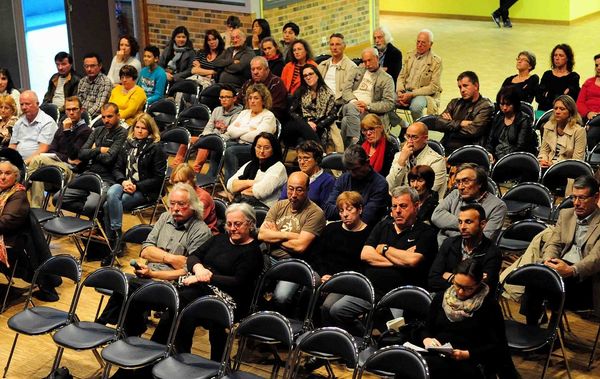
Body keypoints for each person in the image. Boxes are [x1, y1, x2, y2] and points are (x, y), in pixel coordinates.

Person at [150, 202, 263, 361]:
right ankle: (175, 358)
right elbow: (193, 256)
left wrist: (207, 277)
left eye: (237, 224)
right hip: (202, 290)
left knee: (179, 303)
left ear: (250, 224)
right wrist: (199, 269)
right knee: (181, 310)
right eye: (229, 224)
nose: (232, 228)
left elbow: (239, 282)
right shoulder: (219, 239)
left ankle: (160, 355)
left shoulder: (253, 252)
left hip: (231, 301)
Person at [96, 183, 212, 332]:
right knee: (124, 283)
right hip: (147, 276)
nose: (175, 209)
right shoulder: (164, 217)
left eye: (181, 204)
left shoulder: (201, 231)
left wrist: (155, 273)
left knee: (128, 286)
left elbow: (189, 271)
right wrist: (171, 259)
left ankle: (105, 325)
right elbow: (145, 251)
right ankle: (129, 330)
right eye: (172, 204)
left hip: (174, 286)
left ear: (193, 206)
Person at [322, 186, 437, 336]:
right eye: (394, 206)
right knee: (338, 310)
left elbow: (413, 260)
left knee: (394, 333)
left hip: (400, 294)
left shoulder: (426, 232)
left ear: (416, 206)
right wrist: (400, 260)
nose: (397, 211)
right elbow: (365, 254)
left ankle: (379, 344)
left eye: (403, 206)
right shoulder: (383, 225)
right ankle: (366, 341)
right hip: (372, 289)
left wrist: (384, 248)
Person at [422, 259, 513, 378]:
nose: (460, 292)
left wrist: (467, 354)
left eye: (468, 288)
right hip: (438, 352)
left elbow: (497, 345)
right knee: (412, 365)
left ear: (479, 284)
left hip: (470, 359)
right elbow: (427, 328)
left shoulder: (489, 306)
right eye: (457, 285)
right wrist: (427, 339)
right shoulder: (441, 298)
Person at [259, 171, 326, 305]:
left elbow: (300, 247)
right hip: (267, 257)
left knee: (281, 297)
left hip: (294, 263)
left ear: (307, 189)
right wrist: (288, 235)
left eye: (299, 190)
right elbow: (261, 234)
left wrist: (275, 235)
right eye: (290, 189)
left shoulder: (315, 213)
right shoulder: (279, 205)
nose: (293, 194)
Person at [103, 113, 166, 251]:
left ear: (150, 130)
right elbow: (116, 168)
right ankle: (116, 236)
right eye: (137, 127)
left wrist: (136, 186)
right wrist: (124, 181)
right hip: (126, 184)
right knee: (112, 193)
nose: (139, 130)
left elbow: (159, 178)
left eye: (143, 128)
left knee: (108, 205)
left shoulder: (156, 148)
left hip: (145, 190)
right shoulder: (127, 144)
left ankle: (114, 240)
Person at [59, 103, 127, 214]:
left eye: (110, 116)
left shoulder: (122, 133)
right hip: (89, 173)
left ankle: (94, 217)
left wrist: (91, 153)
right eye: (103, 117)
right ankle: (96, 216)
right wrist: (99, 150)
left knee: (91, 206)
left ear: (118, 116)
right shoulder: (98, 130)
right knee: (58, 198)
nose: (106, 120)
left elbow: (108, 159)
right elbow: (81, 154)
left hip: (107, 179)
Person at [27, 96, 92, 208]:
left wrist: (67, 131)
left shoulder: (86, 131)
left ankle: (23, 184)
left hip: (72, 173)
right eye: (68, 109)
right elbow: (52, 149)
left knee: (37, 159)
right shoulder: (61, 127)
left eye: (74, 109)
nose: (71, 113)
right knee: (38, 173)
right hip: (58, 165)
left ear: (81, 110)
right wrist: (66, 158)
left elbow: (74, 155)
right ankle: (35, 211)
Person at [429, 204, 502, 293]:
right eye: (460, 222)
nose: (462, 227)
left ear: (482, 224)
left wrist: (450, 277)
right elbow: (433, 279)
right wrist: (467, 284)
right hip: (444, 296)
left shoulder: (493, 252)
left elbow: (485, 289)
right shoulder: (449, 243)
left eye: (468, 222)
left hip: (476, 304)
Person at [173, 84, 243, 174]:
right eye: (221, 97)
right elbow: (208, 127)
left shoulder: (238, 115)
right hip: (209, 137)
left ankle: (195, 172)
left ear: (234, 99)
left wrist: (211, 139)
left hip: (222, 142)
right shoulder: (217, 110)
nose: (224, 100)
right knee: (187, 140)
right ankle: (175, 168)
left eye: (227, 97)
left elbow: (230, 134)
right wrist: (206, 136)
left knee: (205, 145)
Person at [432, 163, 507, 246]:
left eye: (466, 181)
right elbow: (436, 216)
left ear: (480, 183)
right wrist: (469, 226)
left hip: (472, 255)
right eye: (458, 182)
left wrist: (446, 229)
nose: (460, 187)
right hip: (442, 249)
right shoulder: (455, 194)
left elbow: (483, 239)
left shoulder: (497, 206)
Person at [340, 47, 396, 147]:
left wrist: (367, 106)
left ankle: (351, 148)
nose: (367, 64)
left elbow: (389, 104)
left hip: (370, 113)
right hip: (352, 106)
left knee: (345, 122)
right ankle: (356, 141)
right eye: (364, 61)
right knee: (350, 107)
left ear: (377, 58)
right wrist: (354, 103)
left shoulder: (387, 79)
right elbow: (346, 90)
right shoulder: (356, 71)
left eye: (369, 60)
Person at [311, 191, 371, 282]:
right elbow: (317, 255)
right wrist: (323, 274)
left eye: (349, 209)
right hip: (324, 276)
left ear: (360, 209)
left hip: (348, 282)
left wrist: (336, 279)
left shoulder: (369, 234)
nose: (345, 214)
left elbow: (363, 267)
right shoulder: (331, 229)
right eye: (341, 211)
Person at [430, 71, 494, 154]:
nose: (462, 90)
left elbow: (473, 131)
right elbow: (438, 123)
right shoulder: (454, 103)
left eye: (465, 86)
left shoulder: (486, 106)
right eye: (460, 87)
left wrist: (449, 125)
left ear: (476, 86)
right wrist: (461, 123)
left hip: (469, 151)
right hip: (445, 147)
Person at [323, 145, 389, 225]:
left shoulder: (380, 184)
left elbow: (367, 218)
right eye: (348, 169)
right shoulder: (344, 178)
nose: (352, 174)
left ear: (367, 163)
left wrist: (342, 210)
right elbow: (328, 211)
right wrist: (352, 211)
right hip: (341, 228)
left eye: (356, 169)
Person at [223, 83, 277, 181]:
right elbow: (230, 130)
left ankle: (230, 185)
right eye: (250, 98)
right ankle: (212, 177)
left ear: (263, 100)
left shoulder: (268, 116)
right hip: (238, 143)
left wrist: (239, 131)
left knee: (230, 151)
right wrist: (249, 129)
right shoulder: (244, 113)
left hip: (255, 148)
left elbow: (258, 138)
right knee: (220, 145)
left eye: (256, 98)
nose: (252, 101)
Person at [386, 121, 447, 198]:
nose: (410, 141)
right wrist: (401, 163)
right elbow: (389, 186)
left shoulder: (436, 161)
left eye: (414, 137)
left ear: (425, 138)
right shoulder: (400, 156)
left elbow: (429, 191)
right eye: (408, 136)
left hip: (427, 205)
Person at [226, 132, 286, 208]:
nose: (261, 151)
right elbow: (230, 185)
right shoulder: (251, 164)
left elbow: (260, 192)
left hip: (264, 209)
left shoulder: (278, 167)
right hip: (244, 204)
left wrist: (239, 188)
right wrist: (253, 182)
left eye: (266, 148)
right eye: (258, 147)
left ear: (274, 149)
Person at [286, 64, 337, 149]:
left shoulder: (328, 93)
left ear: (317, 75)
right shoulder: (300, 92)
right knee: (301, 134)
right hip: (301, 125)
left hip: (320, 125)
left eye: (310, 74)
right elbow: (292, 112)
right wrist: (306, 123)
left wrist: (317, 125)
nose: (308, 77)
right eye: (305, 76)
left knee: (303, 141)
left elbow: (333, 115)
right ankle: (319, 151)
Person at [396, 29, 443, 120]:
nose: (419, 45)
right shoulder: (409, 55)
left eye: (423, 43)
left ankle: (419, 130)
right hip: (405, 91)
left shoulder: (436, 61)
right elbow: (401, 76)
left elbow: (433, 87)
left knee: (416, 108)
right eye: (418, 42)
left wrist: (411, 95)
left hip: (423, 94)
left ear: (430, 44)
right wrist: (400, 92)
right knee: (387, 102)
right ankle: (404, 125)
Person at [485, 86, 537, 161]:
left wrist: (501, 159)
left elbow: (520, 148)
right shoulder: (498, 117)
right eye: (502, 104)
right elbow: (490, 141)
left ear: (515, 104)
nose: (505, 108)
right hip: (496, 157)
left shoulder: (524, 120)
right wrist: (490, 154)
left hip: (514, 160)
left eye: (508, 104)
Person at [280, 140, 335, 209]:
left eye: (306, 158)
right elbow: (281, 202)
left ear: (317, 160)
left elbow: (325, 209)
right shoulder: (294, 177)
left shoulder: (327, 181)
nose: (302, 162)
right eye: (299, 158)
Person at [9, 90, 58, 164]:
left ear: (37, 104)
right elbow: (12, 145)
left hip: (36, 163)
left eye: (27, 104)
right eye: (21, 104)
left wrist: (23, 165)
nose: (24, 107)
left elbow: (43, 149)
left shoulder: (47, 122)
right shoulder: (19, 122)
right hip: (18, 163)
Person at [538, 94, 586, 169]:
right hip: (548, 166)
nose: (557, 111)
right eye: (555, 108)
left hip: (567, 170)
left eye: (562, 109)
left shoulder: (579, 131)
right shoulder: (548, 126)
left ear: (570, 112)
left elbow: (577, 161)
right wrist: (543, 160)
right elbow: (544, 151)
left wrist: (554, 165)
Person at [170, 163, 219, 235]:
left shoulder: (203, 198)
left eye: (183, 181)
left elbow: (191, 224)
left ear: (192, 179)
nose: (180, 185)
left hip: (204, 236)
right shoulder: (176, 195)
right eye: (176, 182)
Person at [238, 56, 288, 123]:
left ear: (267, 69)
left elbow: (276, 109)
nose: (255, 72)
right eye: (253, 69)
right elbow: (238, 102)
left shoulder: (276, 83)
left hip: (268, 120)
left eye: (259, 69)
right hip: (247, 119)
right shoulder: (248, 84)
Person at [537, 44, 580, 112]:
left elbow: (570, 100)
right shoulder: (547, 75)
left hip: (563, 113)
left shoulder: (573, 77)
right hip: (544, 111)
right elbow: (539, 97)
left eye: (561, 55)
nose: (557, 58)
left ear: (567, 58)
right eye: (555, 55)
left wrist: (548, 95)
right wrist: (561, 95)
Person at [318, 33, 357, 103]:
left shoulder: (351, 67)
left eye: (338, 44)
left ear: (344, 46)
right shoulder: (322, 65)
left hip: (337, 101)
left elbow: (347, 91)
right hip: (320, 99)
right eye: (332, 44)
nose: (334, 47)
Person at [77, 53, 113, 119]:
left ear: (100, 66)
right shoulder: (82, 81)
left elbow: (99, 106)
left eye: (92, 66)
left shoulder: (105, 82)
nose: (89, 69)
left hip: (96, 117)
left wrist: (82, 116)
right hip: (80, 115)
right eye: (86, 66)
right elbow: (78, 102)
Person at [576, 53, 600, 147]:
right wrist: (588, 113)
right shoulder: (588, 82)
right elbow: (580, 103)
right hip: (588, 117)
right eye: (596, 65)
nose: (598, 68)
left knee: (592, 134)